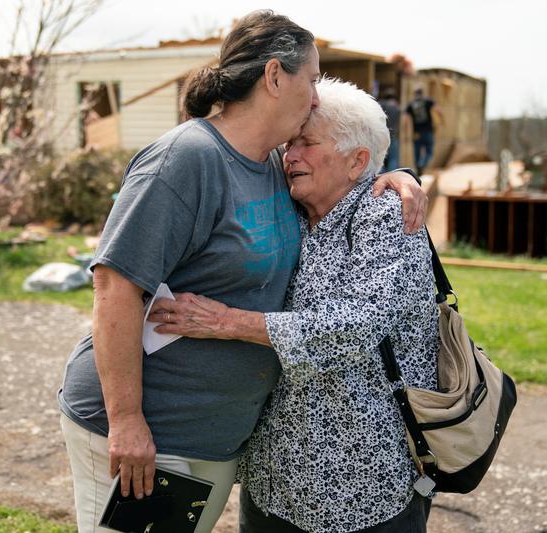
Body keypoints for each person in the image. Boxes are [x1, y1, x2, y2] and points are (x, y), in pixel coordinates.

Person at [57, 10, 427, 533]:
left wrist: (395, 176)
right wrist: (126, 420)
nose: (316, 95)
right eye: (313, 78)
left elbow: (341, 175)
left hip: (216, 441)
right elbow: (114, 284)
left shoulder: (271, 166)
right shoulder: (187, 158)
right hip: (154, 435)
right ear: (275, 77)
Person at [150, 78, 439, 532]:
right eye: (289, 144)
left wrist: (225, 322)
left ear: (357, 161)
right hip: (275, 482)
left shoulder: (385, 217)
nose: (290, 156)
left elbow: (356, 325)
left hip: (358, 486)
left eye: (306, 143)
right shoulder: (291, 210)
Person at [405, 86, 442, 175]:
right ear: (422, 93)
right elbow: (439, 111)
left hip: (417, 133)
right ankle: (422, 164)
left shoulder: (411, 104)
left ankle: (418, 169)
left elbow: (406, 120)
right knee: (429, 151)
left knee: (417, 153)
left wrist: (406, 133)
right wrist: (441, 121)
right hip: (428, 131)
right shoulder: (428, 101)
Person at [377, 87, 401, 172]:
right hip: (393, 136)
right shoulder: (397, 106)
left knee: (379, 159)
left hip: (380, 136)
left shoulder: (380, 104)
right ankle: (391, 178)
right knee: (393, 159)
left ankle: (380, 177)